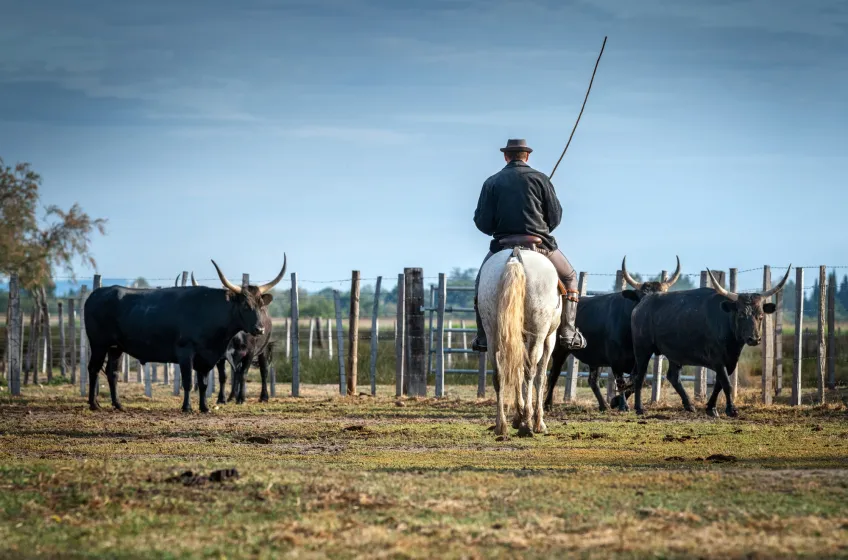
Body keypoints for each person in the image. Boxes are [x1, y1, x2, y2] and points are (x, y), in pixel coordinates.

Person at [471, 138, 586, 352]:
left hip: (502, 245)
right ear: (527, 156)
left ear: (506, 156)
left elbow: (482, 222)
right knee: (570, 278)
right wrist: (540, 227)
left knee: (480, 285)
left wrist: (496, 229)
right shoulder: (541, 179)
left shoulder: (491, 182)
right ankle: (568, 331)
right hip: (538, 243)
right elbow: (555, 217)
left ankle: (483, 336)